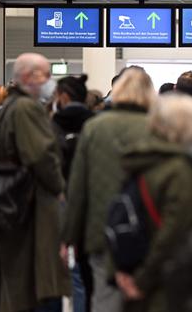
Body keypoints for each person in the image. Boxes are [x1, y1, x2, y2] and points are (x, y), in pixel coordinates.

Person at [62, 68, 155, 312]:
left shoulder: (94, 127)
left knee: (104, 298)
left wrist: (69, 236)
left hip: (101, 230)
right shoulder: (160, 127)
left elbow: (78, 187)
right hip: (150, 231)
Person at [0, 53, 70, 312]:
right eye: (45, 75)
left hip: (6, 205)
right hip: (30, 208)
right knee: (33, 282)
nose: (50, 81)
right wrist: (59, 188)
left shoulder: (5, 108)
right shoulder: (27, 109)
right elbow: (41, 156)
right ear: (27, 78)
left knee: (11, 280)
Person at [116, 94, 192, 312]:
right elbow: (173, 233)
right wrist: (144, 279)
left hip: (134, 269)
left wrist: (124, 271)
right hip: (166, 282)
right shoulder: (180, 172)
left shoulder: (140, 162)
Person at [51, 74, 95, 312]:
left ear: (64, 97)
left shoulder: (49, 126)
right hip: (91, 203)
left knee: (60, 269)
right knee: (84, 270)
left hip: (57, 200)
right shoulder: (96, 124)